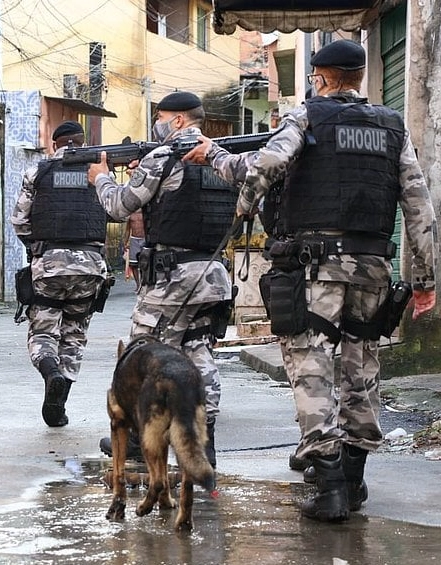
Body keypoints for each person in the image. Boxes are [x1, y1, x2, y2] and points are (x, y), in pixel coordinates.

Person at [183, 39, 438, 522]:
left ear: (321, 77)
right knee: (361, 365)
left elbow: (265, 165)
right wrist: (423, 279)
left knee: (311, 365)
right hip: (372, 265)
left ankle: (328, 486)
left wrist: (241, 207)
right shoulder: (392, 127)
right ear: (360, 77)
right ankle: (355, 479)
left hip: (313, 264)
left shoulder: (306, 117)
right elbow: (419, 206)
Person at [87, 91, 238, 468]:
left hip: (171, 278)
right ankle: (206, 440)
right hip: (213, 274)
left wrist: (102, 179)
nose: (158, 122)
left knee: (143, 357)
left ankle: (138, 440)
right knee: (198, 351)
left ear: (180, 121)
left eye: (162, 116)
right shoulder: (222, 156)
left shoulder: (162, 156)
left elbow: (120, 206)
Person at [11, 120, 108, 427]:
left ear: (56, 145)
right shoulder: (99, 173)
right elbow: (116, 209)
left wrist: (39, 246)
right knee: (75, 332)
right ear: (83, 142)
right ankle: (59, 403)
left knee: (43, 332)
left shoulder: (37, 172)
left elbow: (19, 222)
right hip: (92, 265)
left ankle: (51, 372)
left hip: (49, 265)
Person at [122, 209, 145, 288]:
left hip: (144, 239)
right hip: (134, 239)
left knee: (145, 263)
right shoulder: (130, 214)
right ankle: (138, 284)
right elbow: (128, 229)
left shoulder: (145, 213)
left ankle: (144, 282)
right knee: (133, 264)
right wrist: (125, 242)